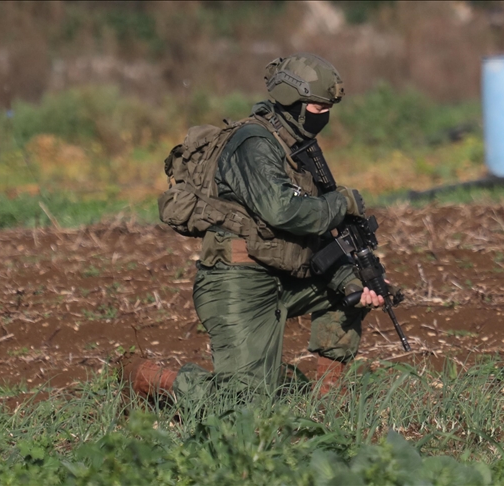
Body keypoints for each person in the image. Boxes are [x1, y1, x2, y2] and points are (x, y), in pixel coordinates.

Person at [129, 53, 384, 402]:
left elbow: (313, 229)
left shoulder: (297, 147)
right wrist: (342, 203)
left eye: (327, 109)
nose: (323, 116)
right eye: (317, 107)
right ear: (290, 101)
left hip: (285, 271)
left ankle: (328, 402)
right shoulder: (253, 144)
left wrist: (353, 281)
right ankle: (145, 377)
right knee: (243, 403)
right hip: (238, 280)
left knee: (350, 289)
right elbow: (283, 211)